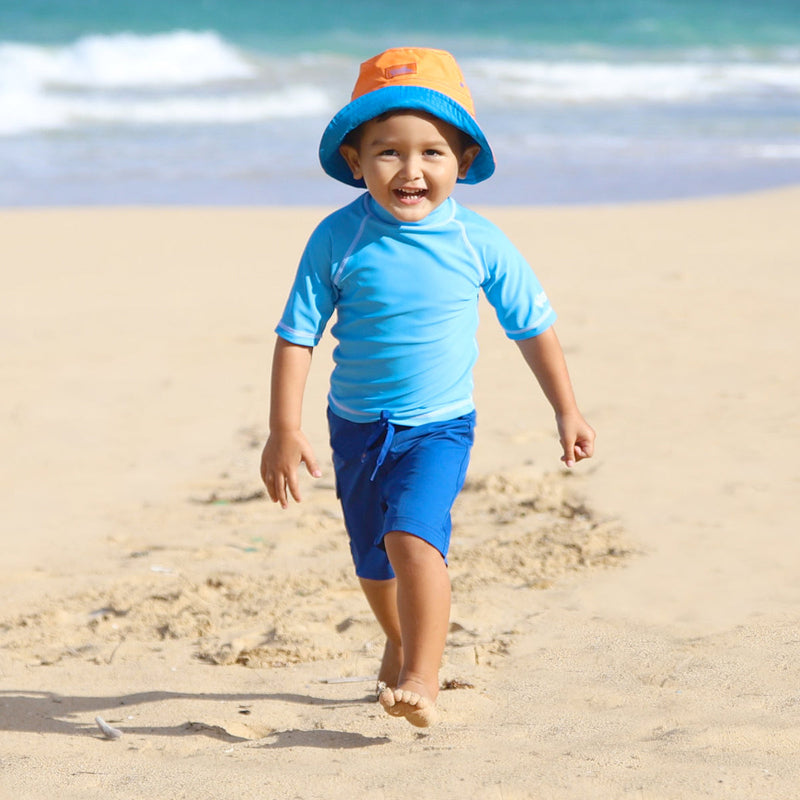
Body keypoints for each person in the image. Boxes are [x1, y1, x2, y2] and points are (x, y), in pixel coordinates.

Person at [260, 47, 595, 728]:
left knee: (414, 536)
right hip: (354, 427)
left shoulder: (480, 241)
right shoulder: (338, 238)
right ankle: (396, 636)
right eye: (387, 153)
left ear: (463, 163)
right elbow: (297, 335)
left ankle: (423, 674)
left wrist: (567, 408)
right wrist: (284, 429)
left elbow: (531, 325)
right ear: (355, 162)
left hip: (440, 426)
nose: (411, 171)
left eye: (432, 153)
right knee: (372, 560)